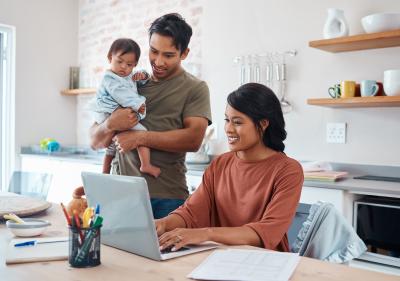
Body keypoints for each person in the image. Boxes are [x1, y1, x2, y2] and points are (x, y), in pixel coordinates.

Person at [155, 83, 304, 252]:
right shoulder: (220, 164)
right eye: (227, 120)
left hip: (266, 262)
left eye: (237, 122)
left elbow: (266, 232)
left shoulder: (288, 170)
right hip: (218, 256)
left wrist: (206, 234)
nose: (228, 129)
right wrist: (163, 223)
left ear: (263, 124)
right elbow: (191, 212)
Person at [90, 13, 211, 219]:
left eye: (169, 55)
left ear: (184, 53)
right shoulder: (128, 83)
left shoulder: (195, 88)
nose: (159, 61)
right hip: (120, 193)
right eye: (154, 51)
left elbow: (193, 139)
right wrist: (110, 123)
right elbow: (95, 141)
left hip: (167, 197)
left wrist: (139, 137)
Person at [93, 38, 161, 178]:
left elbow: (136, 80)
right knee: (142, 132)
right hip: (107, 113)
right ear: (109, 58)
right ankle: (146, 164)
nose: (124, 67)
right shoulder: (110, 78)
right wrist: (138, 105)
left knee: (112, 145)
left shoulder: (127, 75)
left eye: (129, 64)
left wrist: (143, 76)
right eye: (119, 62)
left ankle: (105, 173)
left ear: (134, 64)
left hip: (112, 112)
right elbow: (121, 95)